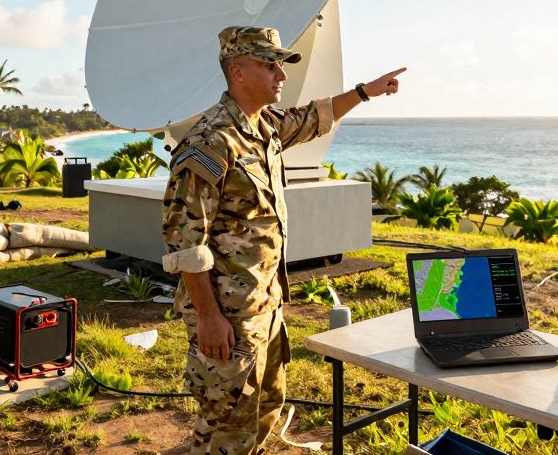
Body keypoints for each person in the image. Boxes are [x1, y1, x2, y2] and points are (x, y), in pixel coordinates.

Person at [161, 25, 405, 455]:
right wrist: (208, 318)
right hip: (228, 316)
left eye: (280, 64)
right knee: (225, 430)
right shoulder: (211, 142)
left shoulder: (264, 126)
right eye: (269, 64)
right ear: (238, 71)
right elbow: (185, 243)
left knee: (265, 411)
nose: (282, 74)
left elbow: (313, 118)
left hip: (264, 306)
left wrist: (365, 92)